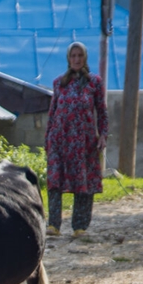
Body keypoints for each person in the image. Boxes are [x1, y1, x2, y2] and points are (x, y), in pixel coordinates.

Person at [44, 41, 108, 237]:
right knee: (55, 181)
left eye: (80, 56)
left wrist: (103, 135)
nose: (77, 60)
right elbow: (52, 112)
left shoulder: (94, 83)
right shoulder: (59, 83)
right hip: (60, 140)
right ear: (68, 59)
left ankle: (80, 227)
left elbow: (102, 111)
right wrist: (48, 138)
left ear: (85, 58)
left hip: (84, 142)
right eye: (73, 56)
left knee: (83, 182)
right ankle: (53, 225)